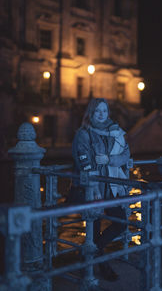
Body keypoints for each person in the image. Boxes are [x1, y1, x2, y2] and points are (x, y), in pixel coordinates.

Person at [71, 98, 131, 281]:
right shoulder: (83, 134)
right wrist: (95, 189)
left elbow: (126, 153)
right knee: (94, 230)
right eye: (97, 111)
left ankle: (88, 257)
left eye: (104, 111)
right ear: (90, 112)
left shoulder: (114, 131)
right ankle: (102, 266)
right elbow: (85, 165)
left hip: (111, 186)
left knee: (121, 222)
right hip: (93, 189)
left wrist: (110, 160)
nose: (101, 114)